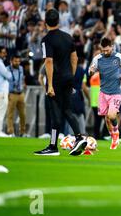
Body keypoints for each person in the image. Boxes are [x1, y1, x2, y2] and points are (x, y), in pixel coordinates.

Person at [34, 9, 87, 156]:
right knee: (67, 110)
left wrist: (49, 84)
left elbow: (49, 61)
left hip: (56, 79)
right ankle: (79, 137)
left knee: (55, 113)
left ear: (46, 23)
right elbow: (75, 58)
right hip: (68, 78)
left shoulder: (46, 40)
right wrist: (71, 75)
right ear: (58, 21)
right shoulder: (68, 37)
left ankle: (53, 147)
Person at [89, 37, 121, 150]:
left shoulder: (119, 57)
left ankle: (116, 134)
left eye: (107, 50)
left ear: (112, 47)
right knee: (106, 118)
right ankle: (113, 137)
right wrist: (91, 71)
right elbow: (91, 71)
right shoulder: (97, 58)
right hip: (103, 92)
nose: (105, 52)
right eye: (103, 50)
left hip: (116, 92)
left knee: (112, 115)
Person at [6, 54, 27, 137]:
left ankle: (22, 132)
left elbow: (22, 78)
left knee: (23, 114)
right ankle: (11, 132)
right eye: (15, 61)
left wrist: (23, 83)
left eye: (19, 61)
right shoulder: (6, 70)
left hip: (20, 93)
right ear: (11, 61)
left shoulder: (21, 68)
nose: (17, 63)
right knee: (10, 114)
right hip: (11, 94)